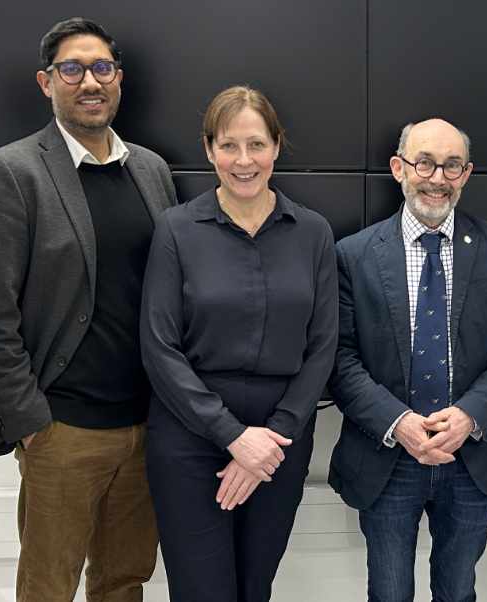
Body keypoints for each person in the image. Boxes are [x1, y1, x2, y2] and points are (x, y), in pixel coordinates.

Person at [0, 17, 177, 601]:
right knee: (48, 587)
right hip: (62, 429)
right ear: (46, 82)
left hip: (145, 425)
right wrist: (28, 422)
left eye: (101, 68)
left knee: (124, 580)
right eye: (72, 69)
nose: (90, 82)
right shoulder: (12, 171)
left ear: (118, 78)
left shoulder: (151, 170)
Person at [140, 85, 338, 601]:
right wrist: (232, 436)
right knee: (202, 591)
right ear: (209, 150)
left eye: (256, 145)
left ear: (277, 146)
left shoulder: (313, 232)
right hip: (189, 436)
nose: (243, 161)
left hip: (280, 438)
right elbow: (159, 347)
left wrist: (271, 438)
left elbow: (323, 345)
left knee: (255, 588)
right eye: (229, 145)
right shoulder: (176, 229)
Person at [328, 118, 487, 601]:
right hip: (386, 456)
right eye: (424, 163)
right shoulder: (353, 255)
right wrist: (397, 422)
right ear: (398, 168)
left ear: (467, 173)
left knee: (458, 592)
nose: (437, 178)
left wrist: (469, 415)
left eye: (451, 166)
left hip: (471, 455)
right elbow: (338, 356)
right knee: (388, 593)